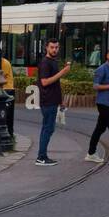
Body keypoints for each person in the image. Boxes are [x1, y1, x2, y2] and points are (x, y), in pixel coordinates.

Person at [36, 39, 71, 167]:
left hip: (52, 100)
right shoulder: (45, 63)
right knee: (48, 128)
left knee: (48, 128)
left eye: (56, 47)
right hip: (47, 100)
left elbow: (56, 84)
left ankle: (42, 156)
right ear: (46, 48)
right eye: (52, 47)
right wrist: (62, 72)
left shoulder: (53, 62)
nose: (54, 50)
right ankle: (41, 156)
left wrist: (60, 101)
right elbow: (44, 82)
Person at [0, 54, 16, 142]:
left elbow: (1, 76)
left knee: (8, 115)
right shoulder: (0, 62)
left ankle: (9, 133)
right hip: (4, 89)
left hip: (7, 89)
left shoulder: (4, 63)